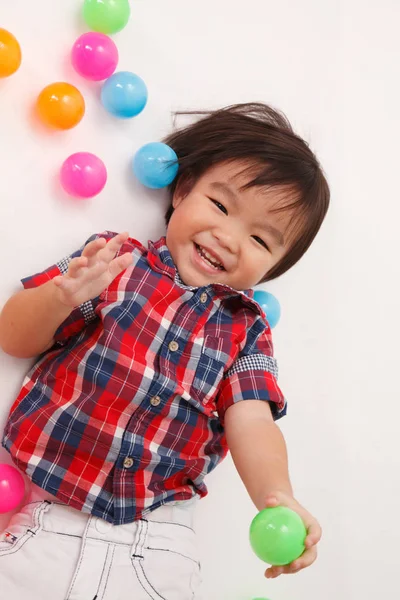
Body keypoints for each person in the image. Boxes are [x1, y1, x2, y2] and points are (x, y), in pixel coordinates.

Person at [0, 103, 330, 599]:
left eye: (260, 239)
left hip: (156, 545)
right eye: (220, 206)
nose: (228, 238)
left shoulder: (247, 328)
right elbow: (13, 338)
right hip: (46, 518)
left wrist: (275, 495)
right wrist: (61, 296)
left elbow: (253, 420)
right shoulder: (116, 260)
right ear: (182, 189)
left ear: (274, 267)